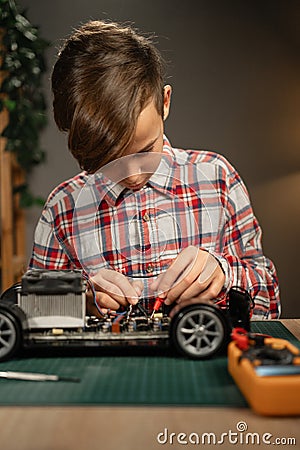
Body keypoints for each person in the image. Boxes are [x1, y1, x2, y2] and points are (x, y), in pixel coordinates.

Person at [29, 20, 280, 319]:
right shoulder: (62, 209)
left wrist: (225, 277)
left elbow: (270, 303)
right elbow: (34, 311)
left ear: (164, 102)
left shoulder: (219, 179)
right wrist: (80, 301)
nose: (132, 176)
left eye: (145, 150)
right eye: (110, 161)